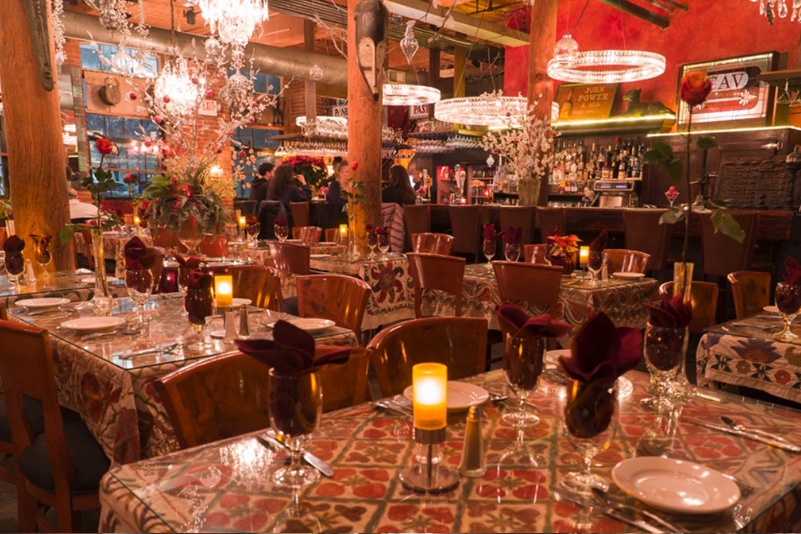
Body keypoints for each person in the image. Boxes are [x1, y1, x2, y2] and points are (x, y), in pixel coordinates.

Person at [267, 163, 311, 227]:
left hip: (272, 223)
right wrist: (304, 183)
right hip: (288, 222)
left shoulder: (271, 189)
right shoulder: (291, 189)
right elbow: (305, 199)